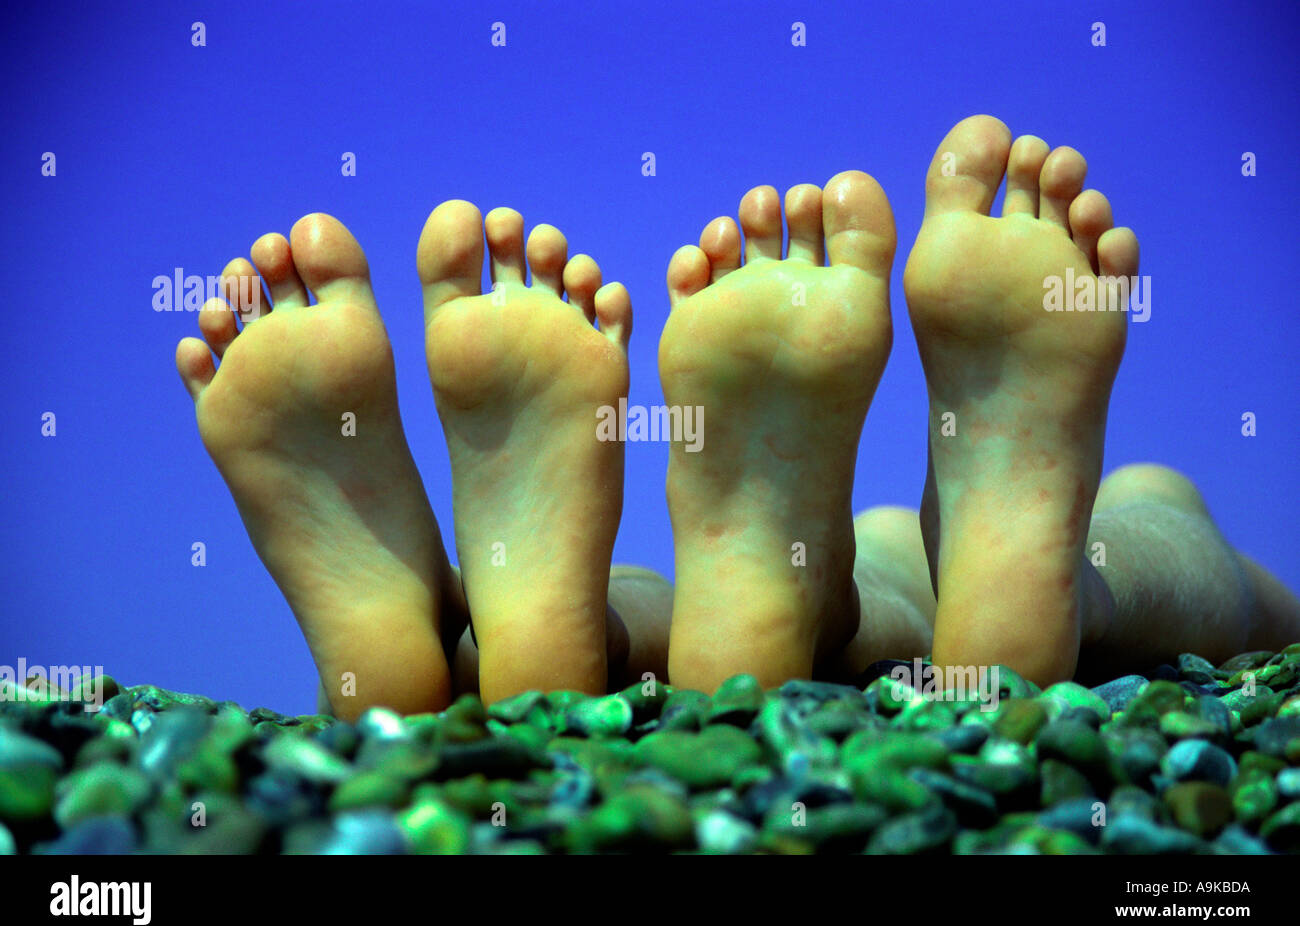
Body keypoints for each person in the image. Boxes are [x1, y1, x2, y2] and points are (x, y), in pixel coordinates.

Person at [175, 115, 1299, 720]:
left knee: (631, 609)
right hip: (911, 583)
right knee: (1157, 508)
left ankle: (433, 641)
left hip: (816, 577)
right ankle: (1037, 591)